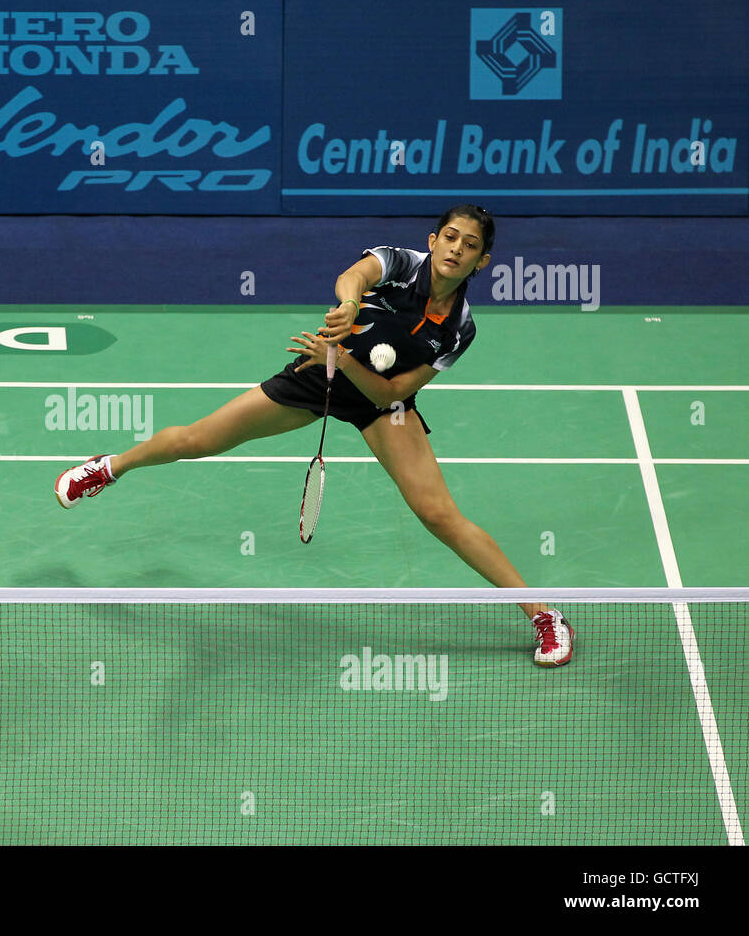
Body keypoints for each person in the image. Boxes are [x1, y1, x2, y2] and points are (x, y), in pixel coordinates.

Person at [54, 205, 575, 668]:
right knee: (198, 439)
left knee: (439, 514)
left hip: (378, 399)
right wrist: (348, 307)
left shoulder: (460, 327)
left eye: (471, 245)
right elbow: (354, 274)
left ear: (482, 261)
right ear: (434, 238)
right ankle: (110, 467)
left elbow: (393, 390)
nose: (457, 249)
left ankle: (544, 614)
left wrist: (346, 358)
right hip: (317, 374)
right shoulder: (399, 263)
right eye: (451, 237)